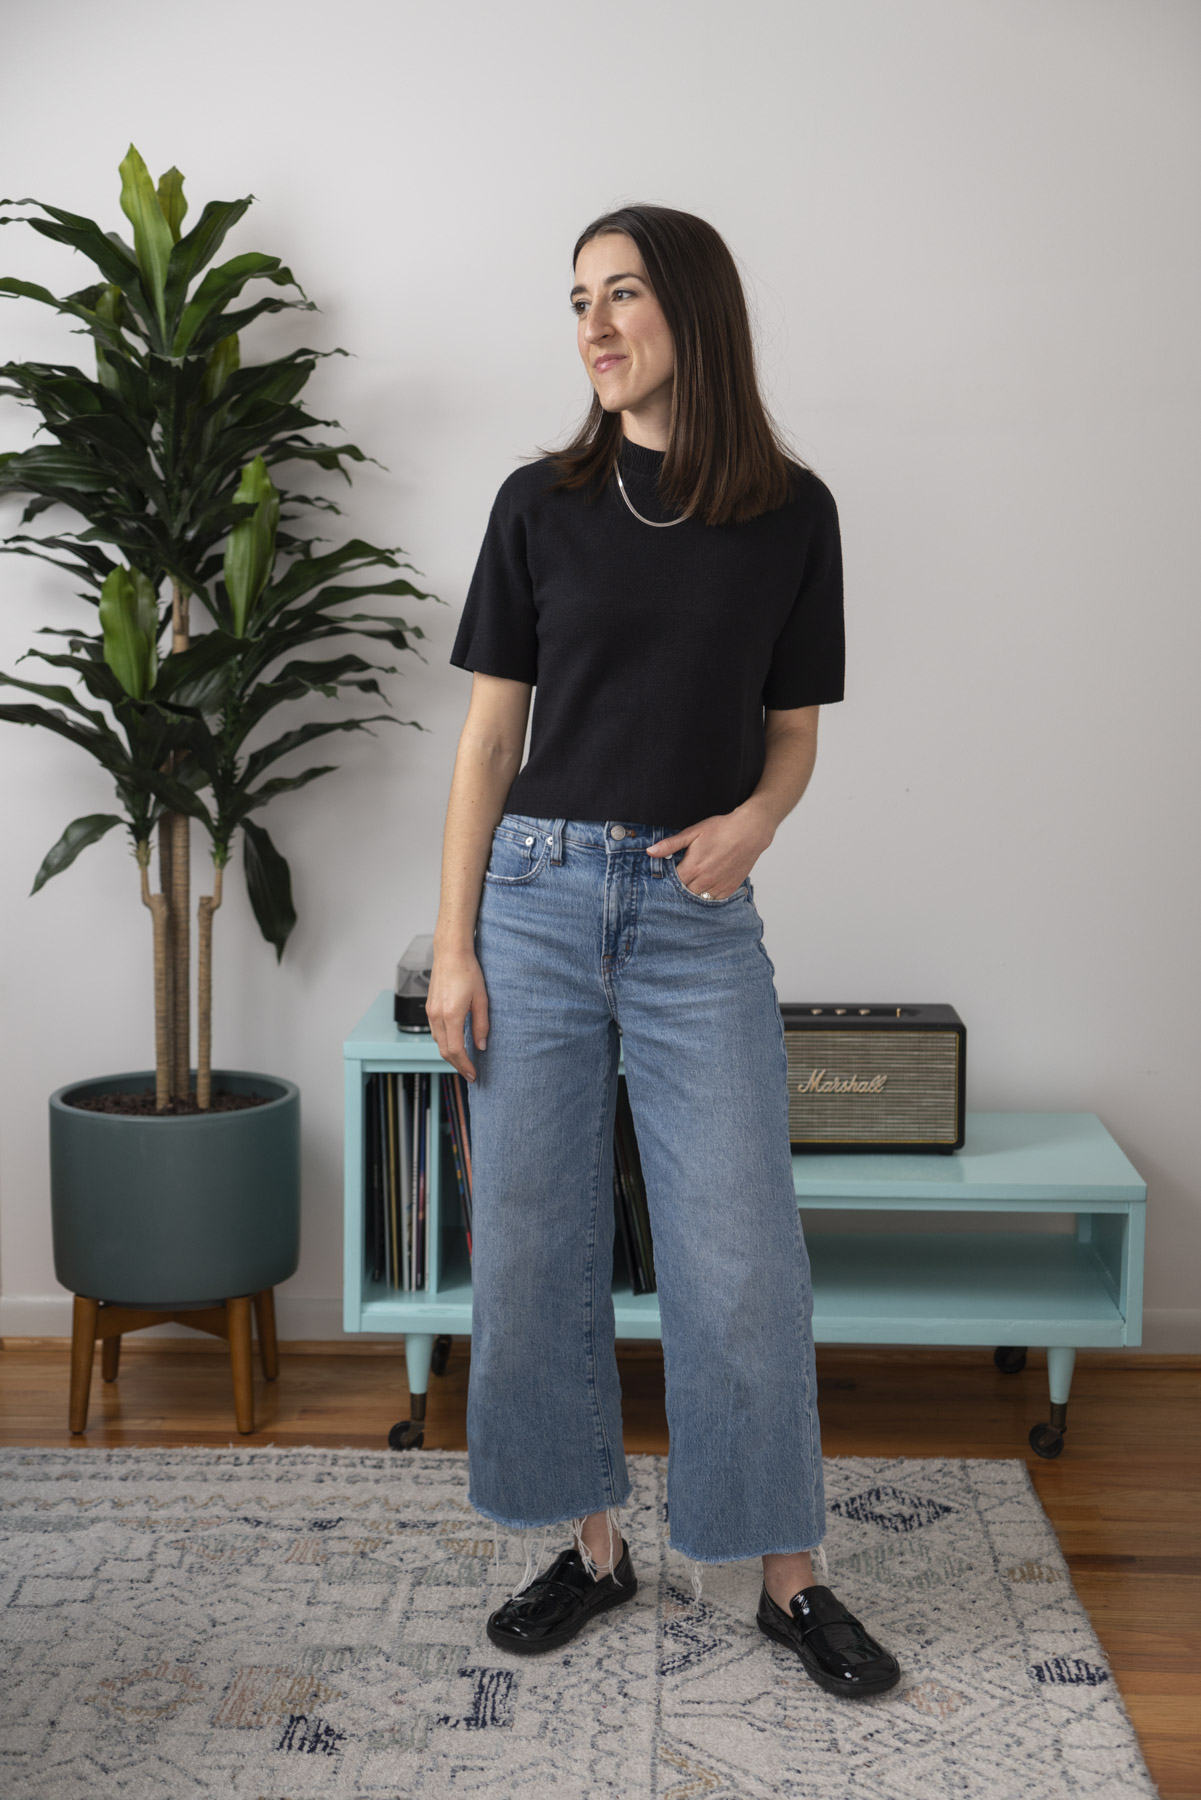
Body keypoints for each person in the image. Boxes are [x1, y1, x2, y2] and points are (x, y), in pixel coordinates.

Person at [427, 203, 900, 1700]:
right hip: (539, 897)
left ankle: (785, 1579)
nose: (593, 322)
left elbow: (792, 732)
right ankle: (591, 1549)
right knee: (538, 1249)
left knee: (741, 1256)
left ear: (692, 310)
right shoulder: (538, 503)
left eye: (622, 292)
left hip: (698, 920)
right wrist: (454, 949)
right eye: (577, 298)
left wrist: (758, 821)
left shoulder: (793, 513)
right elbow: (489, 737)